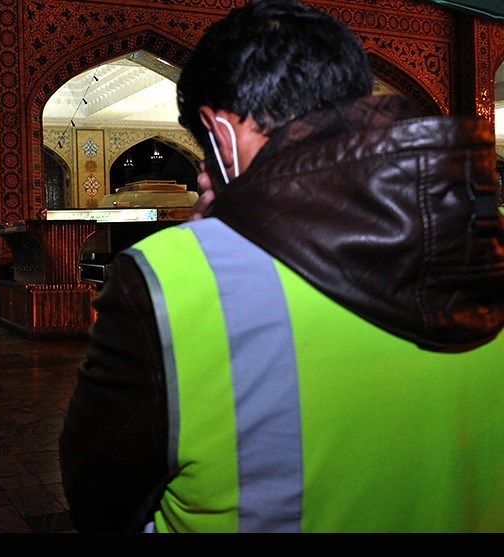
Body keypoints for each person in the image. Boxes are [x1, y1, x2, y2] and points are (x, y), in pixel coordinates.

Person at [59, 0, 504, 533]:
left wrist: (218, 242)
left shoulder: (173, 275)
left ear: (219, 134)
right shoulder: (487, 237)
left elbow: (100, 498)